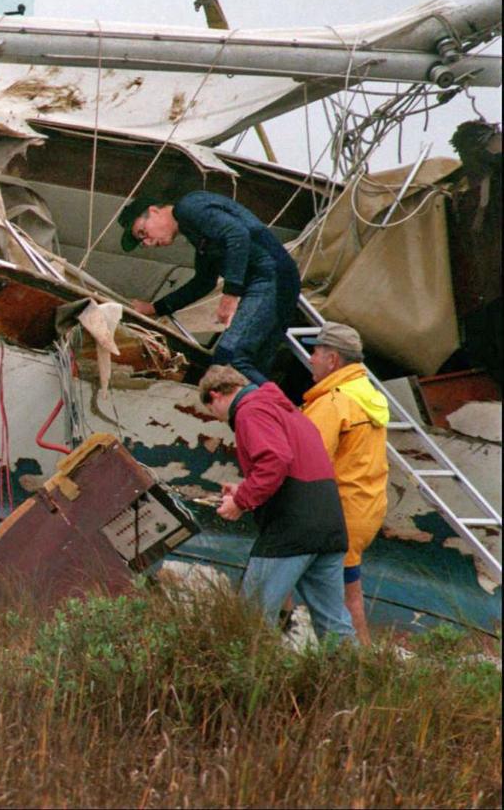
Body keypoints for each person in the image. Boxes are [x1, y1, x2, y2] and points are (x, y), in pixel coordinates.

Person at [198, 365, 355, 641]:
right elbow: (290, 464)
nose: (219, 418)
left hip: (291, 528)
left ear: (216, 395)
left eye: (213, 411)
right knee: (334, 624)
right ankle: (356, 680)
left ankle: (256, 681)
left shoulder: (250, 410)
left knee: (250, 618)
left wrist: (241, 502)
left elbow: (274, 460)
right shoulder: (286, 409)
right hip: (328, 522)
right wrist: (243, 488)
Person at [119, 191, 301, 386]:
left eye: (142, 232)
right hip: (278, 280)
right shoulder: (196, 231)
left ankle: (280, 411)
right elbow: (204, 282)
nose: (147, 242)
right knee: (250, 367)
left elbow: (237, 233)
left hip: (269, 276)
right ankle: (274, 412)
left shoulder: (189, 207)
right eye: (142, 242)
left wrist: (230, 294)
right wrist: (155, 308)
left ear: (154, 211)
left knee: (230, 358)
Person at [300, 323, 389, 644]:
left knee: (346, 600)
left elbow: (306, 457)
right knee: (349, 593)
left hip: (338, 514)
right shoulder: (367, 394)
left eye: (315, 353)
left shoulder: (335, 402)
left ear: (333, 360)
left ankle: (358, 667)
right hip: (364, 508)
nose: (310, 359)